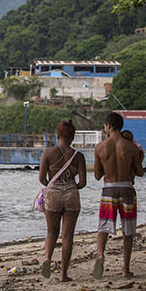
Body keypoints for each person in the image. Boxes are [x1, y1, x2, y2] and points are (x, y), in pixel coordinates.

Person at [93, 112, 144, 279]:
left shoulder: (100, 147)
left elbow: (97, 175)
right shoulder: (132, 147)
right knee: (128, 230)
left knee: (103, 227)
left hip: (108, 189)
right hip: (127, 189)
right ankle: (125, 269)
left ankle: (100, 256)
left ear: (108, 126)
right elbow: (140, 172)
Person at [38, 119, 87, 281]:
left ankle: (47, 259)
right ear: (73, 137)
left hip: (53, 194)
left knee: (52, 232)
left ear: (58, 135)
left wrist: (53, 185)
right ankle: (64, 274)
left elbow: (42, 179)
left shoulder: (48, 153)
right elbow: (82, 183)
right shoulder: (78, 156)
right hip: (71, 193)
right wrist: (71, 187)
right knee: (67, 236)